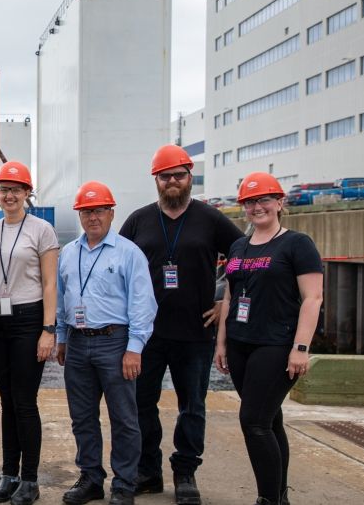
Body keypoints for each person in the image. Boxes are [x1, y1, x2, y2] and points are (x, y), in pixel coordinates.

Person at [119, 145, 243, 504]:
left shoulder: (211, 218)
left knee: (193, 405)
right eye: (165, 176)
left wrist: (225, 302)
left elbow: (242, 257)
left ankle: (185, 471)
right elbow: (117, 266)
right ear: (155, 180)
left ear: (190, 178)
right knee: (142, 404)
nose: (172, 181)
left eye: (179, 175)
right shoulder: (139, 220)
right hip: (147, 333)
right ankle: (148, 471)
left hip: (195, 334)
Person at [213, 172, 323, 505]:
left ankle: (267, 499)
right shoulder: (239, 246)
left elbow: (313, 298)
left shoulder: (296, 244)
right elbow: (230, 299)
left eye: (264, 200)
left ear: (279, 203)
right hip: (241, 343)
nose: (257, 207)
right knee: (271, 420)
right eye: (250, 201)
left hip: (276, 344)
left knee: (254, 422)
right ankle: (280, 495)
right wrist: (221, 343)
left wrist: (301, 349)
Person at [56, 181, 157, 505]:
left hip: (116, 342)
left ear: (111, 212)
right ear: (80, 215)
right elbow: (62, 299)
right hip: (77, 342)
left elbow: (143, 304)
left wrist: (135, 348)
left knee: (124, 418)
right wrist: (61, 337)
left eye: (99, 210)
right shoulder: (69, 253)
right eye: (86, 211)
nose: (93, 217)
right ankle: (91, 478)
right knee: (82, 416)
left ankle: (124, 484)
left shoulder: (129, 253)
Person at [0, 161, 59, 505]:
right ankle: (8, 474)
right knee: (6, 401)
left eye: (16, 189)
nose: (9, 195)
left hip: (29, 319)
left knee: (25, 402)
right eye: (3, 189)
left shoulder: (42, 230)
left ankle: (30, 480)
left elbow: (50, 282)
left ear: (28, 193)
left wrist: (48, 329)